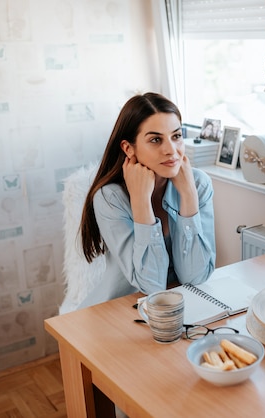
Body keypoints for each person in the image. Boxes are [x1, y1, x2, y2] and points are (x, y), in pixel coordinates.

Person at [77, 92, 216, 309]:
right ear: (128, 148)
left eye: (176, 136)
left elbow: (195, 276)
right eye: (155, 139)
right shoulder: (110, 198)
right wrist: (141, 200)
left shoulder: (198, 184)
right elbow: (151, 285)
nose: (171, 150)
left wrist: (188, 195)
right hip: (120, 310)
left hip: (179, 307)